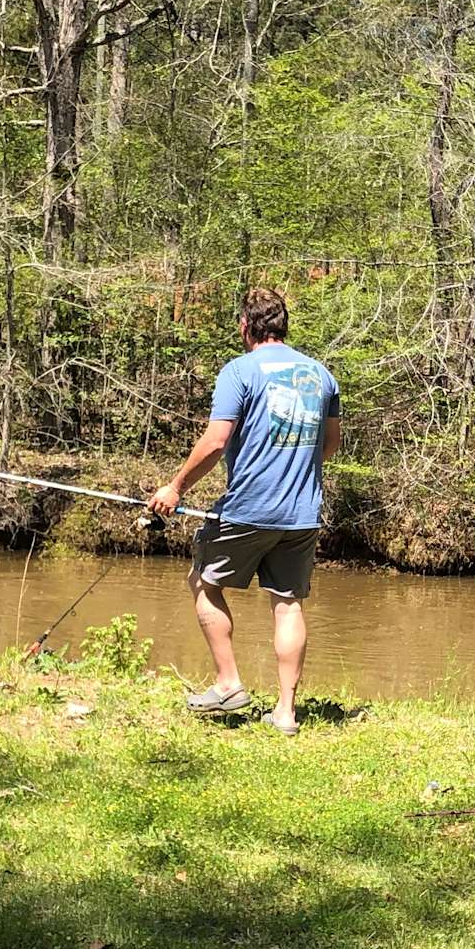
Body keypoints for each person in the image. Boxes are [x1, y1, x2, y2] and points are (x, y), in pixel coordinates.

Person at [149, 286, 341, 735]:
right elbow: (330, 445)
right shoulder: (321, 375)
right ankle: (286, 713)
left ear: (245, 326)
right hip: (303, 512)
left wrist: (175, 488)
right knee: (288, 605)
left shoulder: (239, 371)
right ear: (284, 326)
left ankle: (228, 683)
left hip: (248, 508)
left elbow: (216, 441)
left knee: (203, 580)